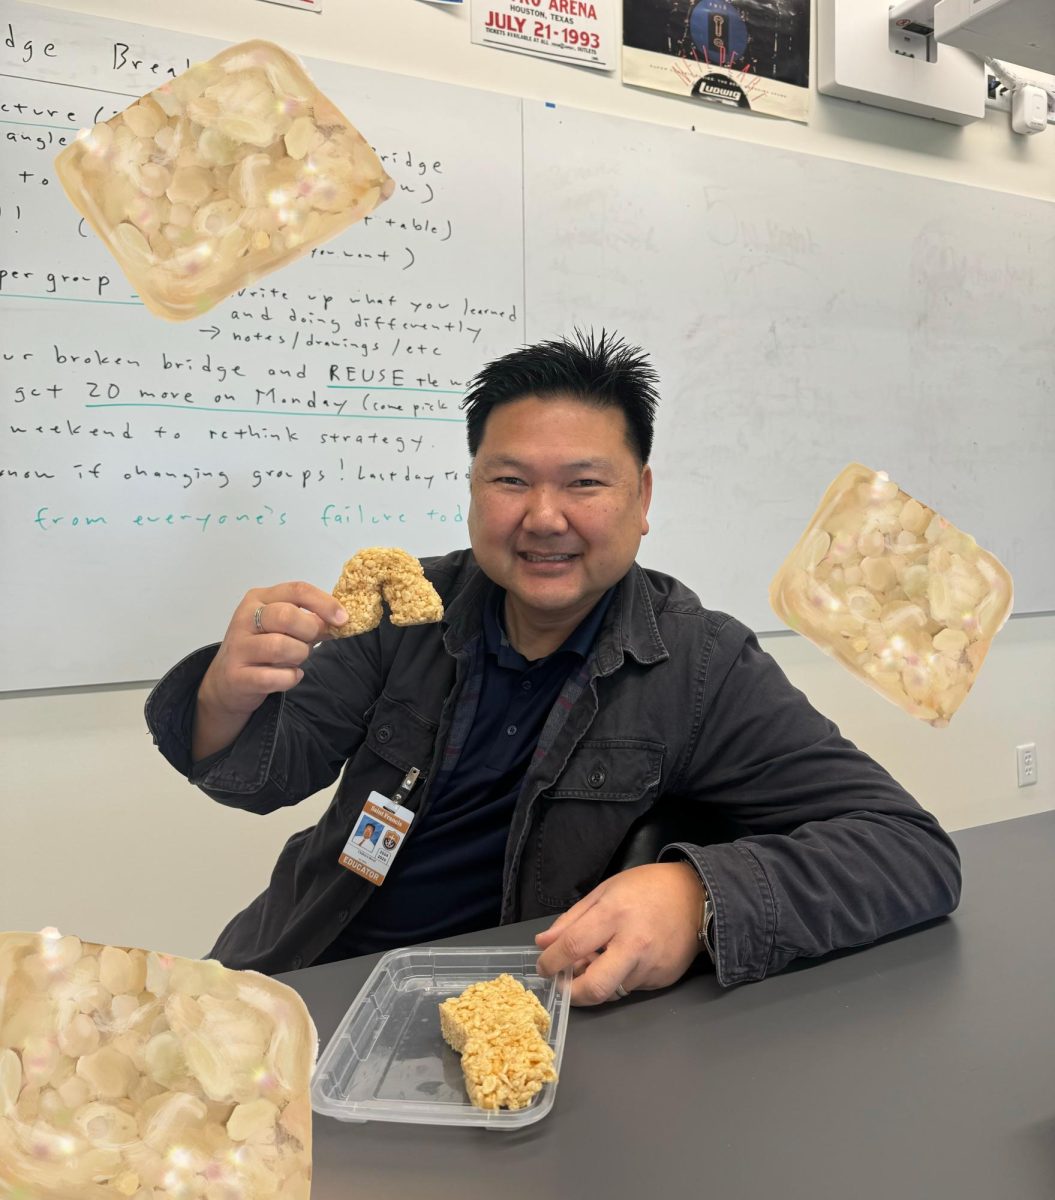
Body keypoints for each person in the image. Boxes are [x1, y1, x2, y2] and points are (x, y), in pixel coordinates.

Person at [145, 330, 961, 1004]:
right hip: (308, 970)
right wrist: (225, 695)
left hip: (515, 1007)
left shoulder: (701, 664)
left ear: (640, 500)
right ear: (472, 490)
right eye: (509, 480)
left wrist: (696, 894)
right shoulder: (409, 607)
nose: (543, 517)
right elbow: (262, 780)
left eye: (583, 483)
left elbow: (909, 850)